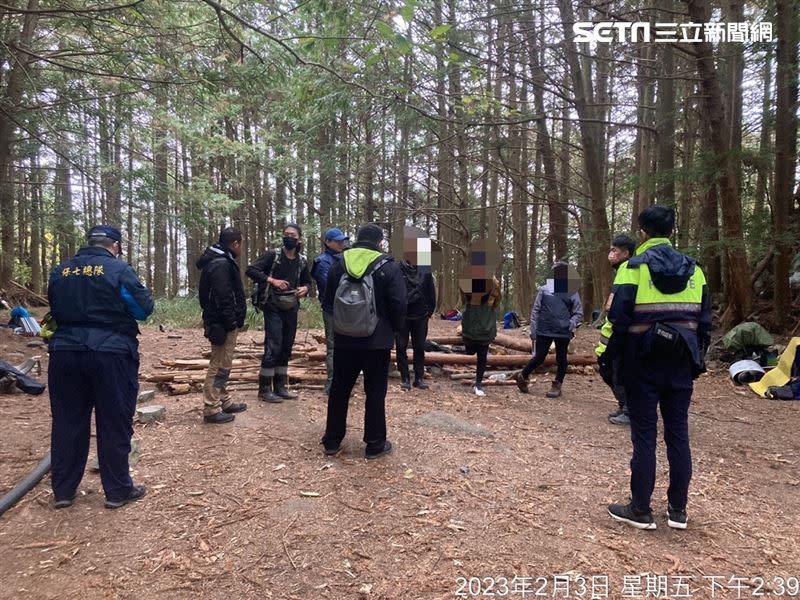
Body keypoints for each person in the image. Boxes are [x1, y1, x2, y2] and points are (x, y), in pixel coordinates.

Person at [603, 205, 711, 530]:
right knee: (679, 435)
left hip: (642, 364)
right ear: (671, 231)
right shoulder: (697, 271)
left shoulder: (632, 268)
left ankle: (640, 509)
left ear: (642, 232)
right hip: (680, 364)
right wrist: (695, 358)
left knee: (645, 436)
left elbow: (618, 319)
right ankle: (678, 510)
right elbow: (705, 324)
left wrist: (611, 359)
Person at [47, 225, 154, 509]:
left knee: (67, 421)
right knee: (113, 420)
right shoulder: (119, 270)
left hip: (65, 353)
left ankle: (63, 491)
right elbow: (143, 309)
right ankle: (117, 490)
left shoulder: (61, 271)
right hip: (111, 353)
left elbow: (54, 307)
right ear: (115, 245)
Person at [321, 224, 406, 458]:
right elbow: (399, 304)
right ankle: (375, 443)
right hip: (377, 341)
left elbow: (328, 301)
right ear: (379, 242)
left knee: (340, 389)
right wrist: (395, 331)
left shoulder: (340, 263)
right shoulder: (388, 266)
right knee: (375, 391)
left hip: (344, 340)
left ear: (357, 239)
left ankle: (332, 440)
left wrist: (339, 327)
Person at [247, 224, 311, 403]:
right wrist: (272, 280)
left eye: (292, 235)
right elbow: (250, 270)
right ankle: (264, 388)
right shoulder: (273, 255)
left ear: (299, 239)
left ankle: (280, 386)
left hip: (291, 306)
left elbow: (308, 281)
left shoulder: (302, 260)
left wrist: (305, 289)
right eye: (286, 234)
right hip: (272, 305)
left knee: (286, 346)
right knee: (273, 345)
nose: (289, 237)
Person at [197, 227, 248, 424]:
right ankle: (211, 407)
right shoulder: (220, 264)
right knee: (219, 364)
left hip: (221, 321)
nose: (241, 248)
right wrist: (231, 321)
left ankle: (223, 399)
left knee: (224, 363)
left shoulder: (221, 260)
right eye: (240, 244)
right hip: (221, 324)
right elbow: (223, 297)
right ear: (235, 244)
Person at [515, 262, 583, 398]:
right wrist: (533, 329)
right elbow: (536, 310)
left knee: (561, 358)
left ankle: (557, 384)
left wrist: (570, 324)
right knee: (539, 356)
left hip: (563, 332)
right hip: (544, 329)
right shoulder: (544, 290)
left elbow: (578, 312)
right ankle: (523, 376)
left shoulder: (572, 292)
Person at [596, 234, 636, 425]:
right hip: (613, 332)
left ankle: (630, 410)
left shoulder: (630, 269)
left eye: (614, 251)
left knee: (617, 371)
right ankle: (624, 405)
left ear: (626, 253)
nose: (610, 255)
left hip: (622, 333)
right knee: (608, 369)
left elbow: (623, 307)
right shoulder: (621, 271)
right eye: (610, 250)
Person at [311, 227, 348, 394]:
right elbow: (327, 286)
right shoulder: (322, 262)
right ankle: (333, 383)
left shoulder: (344, 259)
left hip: (347, 309)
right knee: (333, 346)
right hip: (332, 309)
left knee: (346, 346)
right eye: (337, 241)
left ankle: (344, 380)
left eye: (342, 240)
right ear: (327, 242)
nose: (341, 243)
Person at [395, 256, 436, 391]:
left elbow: (431, 294)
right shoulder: (398, 269)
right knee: (401, 347)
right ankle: (405, 378)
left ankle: (419, 378)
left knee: (419, 347)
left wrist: (428, 312)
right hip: (402, 315)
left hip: (421, 316)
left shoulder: (426, 271)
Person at [460, 276, 502, 398]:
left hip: (484, 322)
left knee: (482, 354)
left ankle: (478, 383)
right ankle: (478, 383)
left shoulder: (494, 283)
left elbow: (497, 301)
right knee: (472, 351)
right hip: (472, 322)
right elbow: (464, 297)